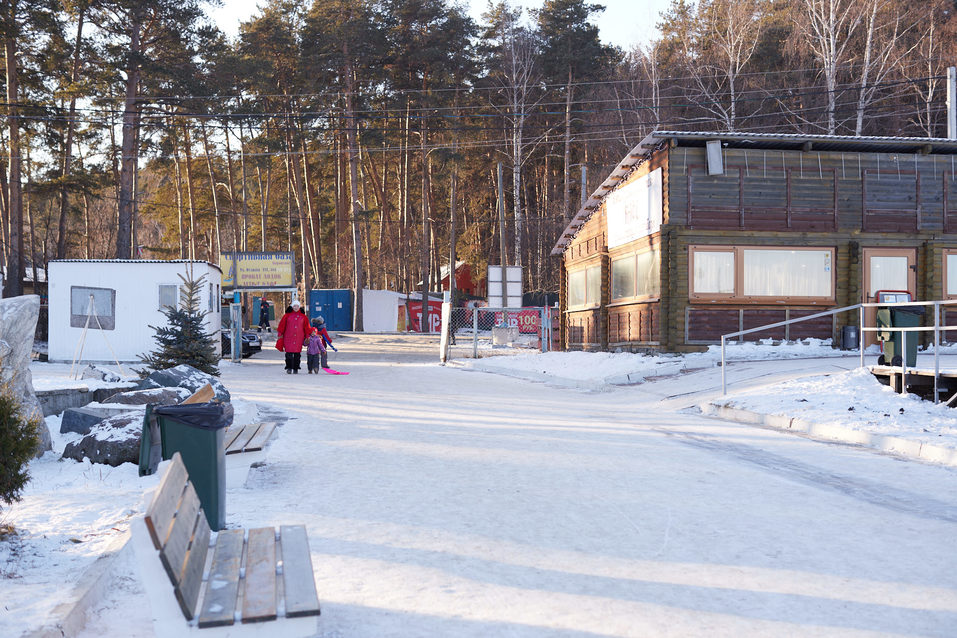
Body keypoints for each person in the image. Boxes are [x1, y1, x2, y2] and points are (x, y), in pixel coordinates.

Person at [277, 300, 309, 374]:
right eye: (294, 306)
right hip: (288, 338)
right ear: (292, 306)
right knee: (288, 354)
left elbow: (307, 327)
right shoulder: (287, 316)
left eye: (297, 306)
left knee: (297, 354)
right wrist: (280, 334)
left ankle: (296, 368)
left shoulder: (303, 317)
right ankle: (289, 367)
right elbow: (281, 326)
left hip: (299, 338)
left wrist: (307, 336)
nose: (296, 307)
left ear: (299, 307)